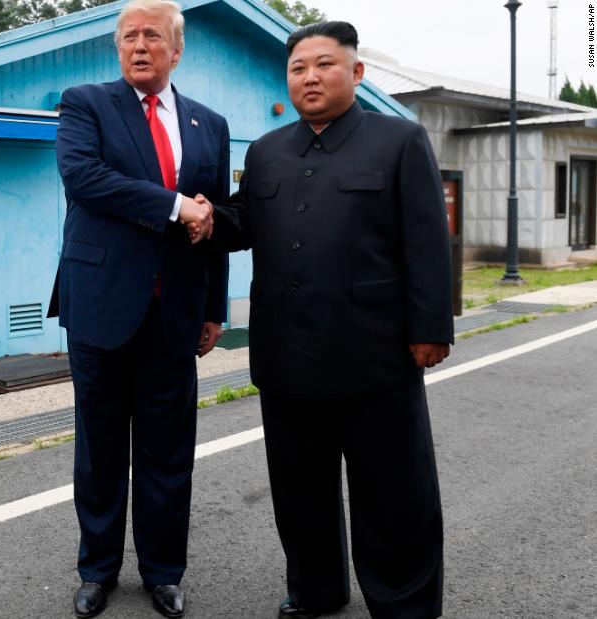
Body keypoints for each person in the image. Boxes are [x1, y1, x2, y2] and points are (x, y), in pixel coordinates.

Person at [198, 20, 453, 619]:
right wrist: (205, 216)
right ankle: (315, 591)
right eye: (297, 68)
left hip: (375, 350)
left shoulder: (399, 140)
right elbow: (244, 224)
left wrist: (430, 327)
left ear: (356, 73)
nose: (309, 77)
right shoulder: (266, 151)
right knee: (298, 488)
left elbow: (426, 239)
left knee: (392, 490)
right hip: (286, 352)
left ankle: (404, 603)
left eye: (324, 65)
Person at [47, 0, 236, 616]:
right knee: (99, 447)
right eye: (128, 36)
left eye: (152, 35)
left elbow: (218, 223)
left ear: (177, 50)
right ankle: (97, 570)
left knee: (167, 449)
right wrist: (174, 205)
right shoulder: (85, 104)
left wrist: (214, 306)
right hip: (101, 303)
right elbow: (84, 179)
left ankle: (163, 572)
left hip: (176, 311)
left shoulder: (210, 122)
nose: (138, 45)